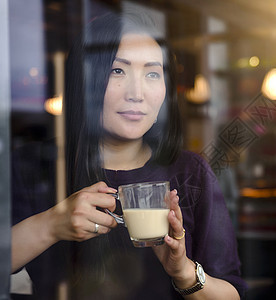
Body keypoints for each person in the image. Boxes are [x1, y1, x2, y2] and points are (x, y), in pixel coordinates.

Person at [11, 9, 247, 299]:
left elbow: (232, 293)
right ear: (86, 79)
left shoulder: (189, 172)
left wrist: (183, 271)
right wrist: (50, 225)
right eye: (117, 70)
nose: (137, 92)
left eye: (152, 73)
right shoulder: (31, 167)